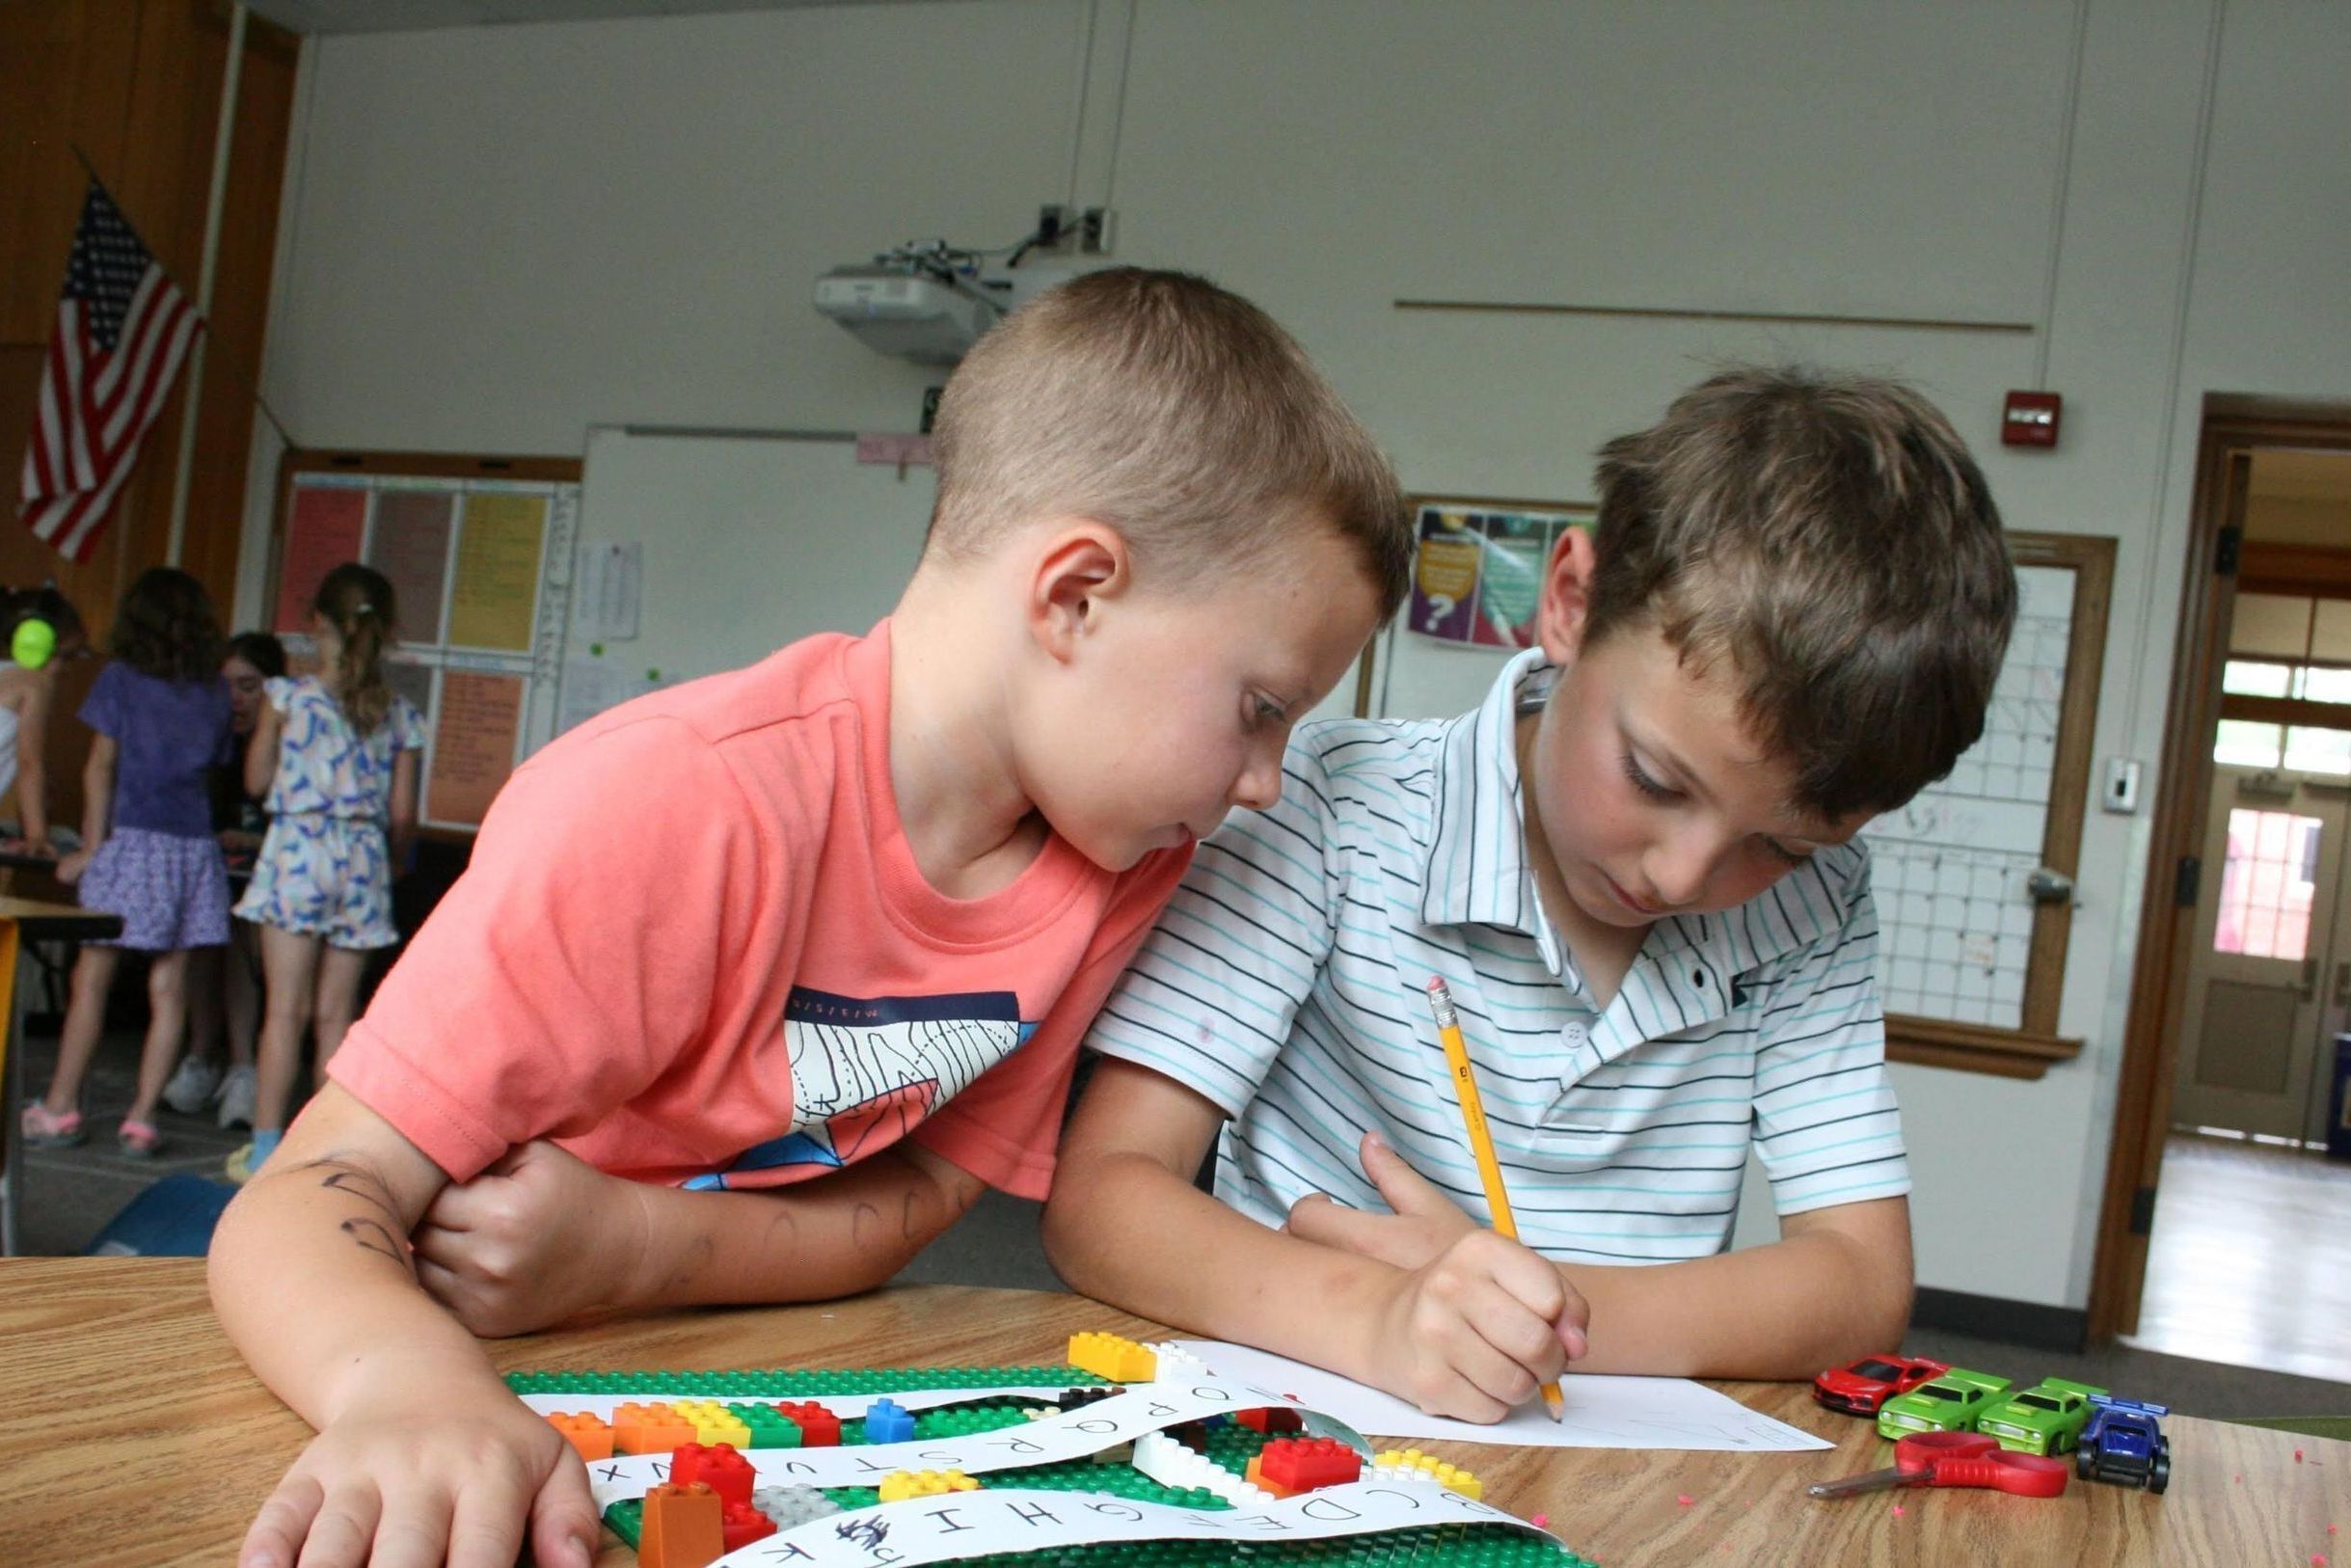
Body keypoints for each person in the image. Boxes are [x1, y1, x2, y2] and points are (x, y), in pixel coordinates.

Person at [208, 267, 1413, 1568]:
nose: (1263, 783)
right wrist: (405, 1389)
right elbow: (300, 1196)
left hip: (743, 1390)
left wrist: (633, 1244)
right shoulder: (669, 801)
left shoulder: (1117, 867)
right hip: (471, 1382)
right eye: (1259, 708)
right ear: (1073, 596)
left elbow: (926, 1198)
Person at [1043, 366, 2019, 1423]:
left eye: (1778, 844)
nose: (1680, 877)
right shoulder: (1328, 810)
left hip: (1609, 1461)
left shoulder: (1817, 905)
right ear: (1569, 603)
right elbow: (1105, 1198)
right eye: (1653, 780)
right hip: (1306, 1434)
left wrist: (1534, 1316)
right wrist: (1379, 1313)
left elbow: (1859, 1287)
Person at [19, 568, 232, 1156]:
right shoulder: (215, 691)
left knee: (91, 982)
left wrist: (92, 847)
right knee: (170, 990)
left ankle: (61, 1106)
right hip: (191, 849)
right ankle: (141, 1118)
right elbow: (212, 764)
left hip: (131, 841)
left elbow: (99, 768)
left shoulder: (119, 679)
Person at [225, 574, 422, 1183]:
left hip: (297, 851)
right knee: (336, 1018)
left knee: (283, 1010)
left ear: (318, 623)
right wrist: (392, 862)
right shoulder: (400, 714)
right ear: (386, 632)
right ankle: (324, 1154)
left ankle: (263, 1149)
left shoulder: (286, 698)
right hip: (361, 858)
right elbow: (403, 814)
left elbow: (255, 782)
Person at [164, 631, 289, 1129]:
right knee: (200, 938)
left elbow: (292, 825)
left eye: (248, 686)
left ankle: (243, 1067)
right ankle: (200, 1057)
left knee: (238, 940)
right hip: (212, 874)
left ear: (274, 690)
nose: (234, 699)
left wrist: (255, 843)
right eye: (226, 687)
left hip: (267, 882)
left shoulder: (287, 741)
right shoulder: (209, 746)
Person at [0, 585, 88, 857]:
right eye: (66, 657)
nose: (65, 670)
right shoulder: (35, 683)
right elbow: (30, 763)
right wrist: (37, 836)